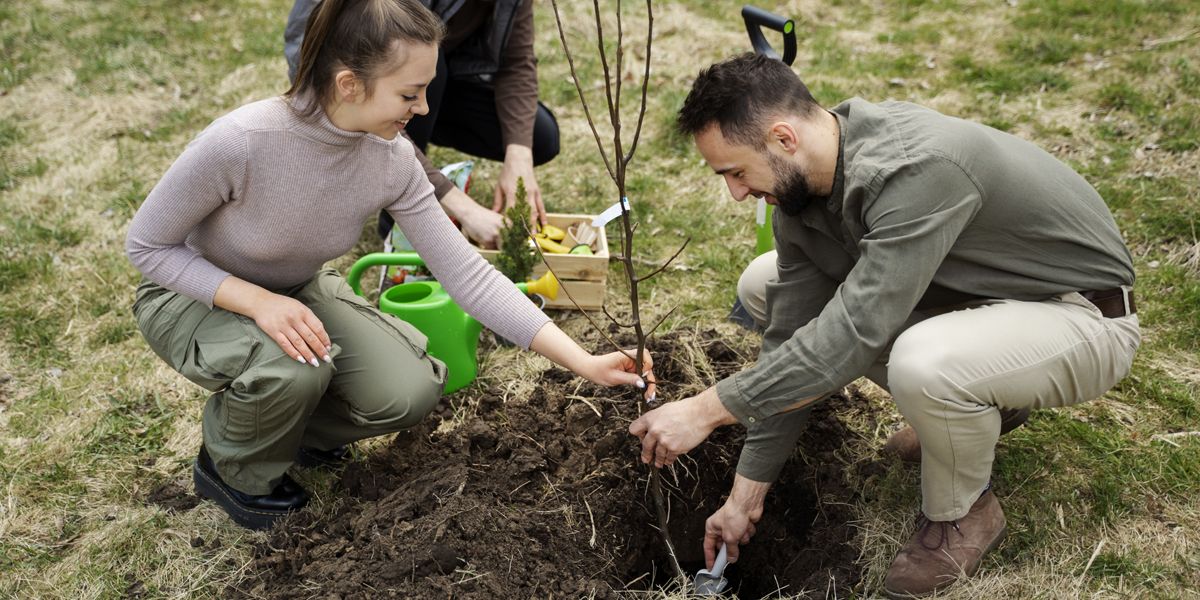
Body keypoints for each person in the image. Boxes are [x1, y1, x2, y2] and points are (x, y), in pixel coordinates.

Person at [127, 0, 652, 532]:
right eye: (409, 94)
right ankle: (232, 466)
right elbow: (147, 247)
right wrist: (259, 302)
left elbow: (467, 275)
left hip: (294, 288)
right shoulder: (242, 142)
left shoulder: (393, 159)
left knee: (409, 389)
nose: (423, 109)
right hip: (190, 293)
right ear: (349, 84)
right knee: (294, 367)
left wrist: (584, 362)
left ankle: (284, 428)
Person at [628, 53, 1139, 598]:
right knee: (762, 282)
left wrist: (706, 411)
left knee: (923, 362)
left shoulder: (915, 169)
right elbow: (791, 341)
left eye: (736, 172)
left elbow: (852, 335)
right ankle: (975, 409)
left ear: (783, 139)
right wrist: (744, 499)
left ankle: (964, 513)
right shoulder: (804, 196)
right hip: (980, 304)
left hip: (1080, 316)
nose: (735, 193)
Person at [285, 0, 558, 248]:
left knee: (537, 137)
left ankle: (419, 111)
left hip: (431, 75)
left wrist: (519, 156)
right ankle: (400, 208)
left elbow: (516, 62)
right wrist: (460, 206)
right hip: (351, 87)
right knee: (431, 76)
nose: (423, 108)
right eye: (410, 97)